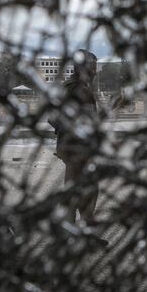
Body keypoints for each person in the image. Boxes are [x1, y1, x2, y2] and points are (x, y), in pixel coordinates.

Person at [54, 50, 102, 226]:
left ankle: (71, 228)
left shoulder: (66, 87)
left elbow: (52, 117)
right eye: (93, 67)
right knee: (89, 189)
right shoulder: (82, 91)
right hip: (81, 150)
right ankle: (81, 229)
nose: (96, 72)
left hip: (68, 148)